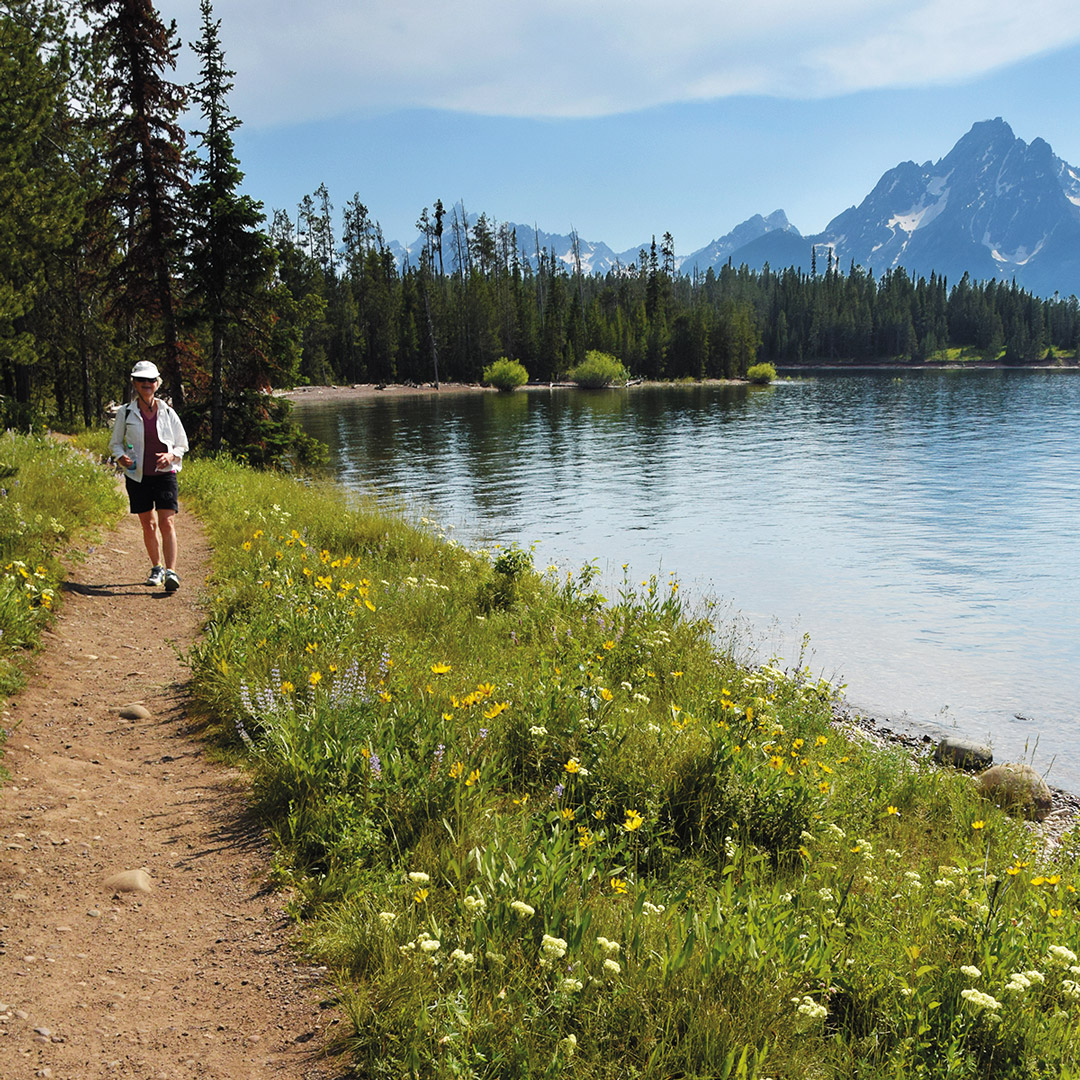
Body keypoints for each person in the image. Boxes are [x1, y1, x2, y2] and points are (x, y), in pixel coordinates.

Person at [109, 361, 190, 592]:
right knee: (149, 524)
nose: (147, 384)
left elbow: (182, 444)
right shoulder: (125, 413)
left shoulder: (168, 411)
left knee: (167, 521)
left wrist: (171, 455)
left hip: (165, 475)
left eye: (151, 380)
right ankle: (157, 568)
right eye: (142, 380)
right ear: (135, 383)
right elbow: (115, 444)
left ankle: (171, 571)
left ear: (157, 384)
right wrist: (121, 457)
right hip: (138, 477)